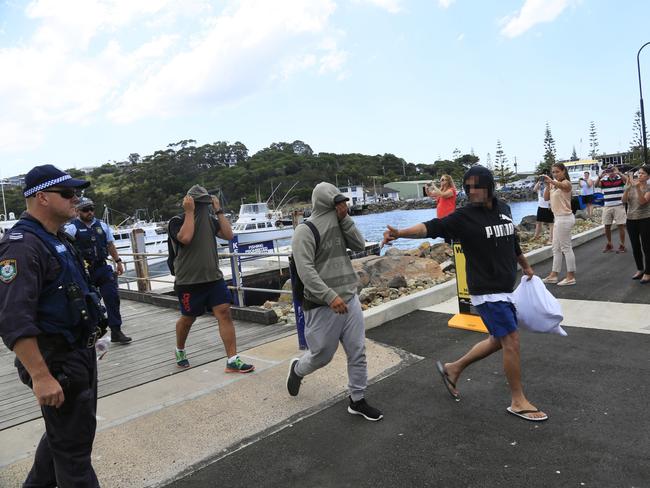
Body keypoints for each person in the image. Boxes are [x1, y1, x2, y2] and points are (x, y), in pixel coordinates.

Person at [382, 165, 547, 422]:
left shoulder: (504, 209)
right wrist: (400, 233)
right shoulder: (464, 216)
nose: (471, 191)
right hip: (485, 290)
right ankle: (518, 400)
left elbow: (511, 241)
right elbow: (432, 226)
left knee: (498, 340)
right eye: (467, 186)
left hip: (505, 287)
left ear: (489, 186)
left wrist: (524, 265)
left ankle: (452, 368)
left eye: (477, 185)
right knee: (511, 340)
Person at [0, 164, 103, 486]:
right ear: (42, 197)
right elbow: (13, 318)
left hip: (77, 354)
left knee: (64, 439)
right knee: (74, 457)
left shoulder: (55, 238)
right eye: (69, 193)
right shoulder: (22, 245)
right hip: (56, 362)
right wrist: (41, 376)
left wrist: (93, 336)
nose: (77, 199)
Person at [286, 182, 383, 421]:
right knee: (322, 356)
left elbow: (359, 246)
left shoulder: (341, 223)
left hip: (349, 298)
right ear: (325, 203)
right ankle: (298, 369)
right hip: (322, 305)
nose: (342, 207)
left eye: (343, 203)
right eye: (338, 203)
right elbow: (306, 270)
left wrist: (345, 219)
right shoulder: (305, 231)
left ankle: (357, 400)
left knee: (357, 351)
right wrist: (330, 296)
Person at [168, 185, 254, 373]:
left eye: (205, 204)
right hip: (188, 282)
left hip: (213, 278)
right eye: (200, 204)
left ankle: (232, 359)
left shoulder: (211, 220)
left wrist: (219, 211)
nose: (203, 208)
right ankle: (180, 349)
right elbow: (186, 238)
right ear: (189, 202)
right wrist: (189, 212)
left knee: (224, 312)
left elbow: (229, 235)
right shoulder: (176, 221)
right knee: (188, 318)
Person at [65, 197, 132, 344]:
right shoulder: (72, 228)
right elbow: (66, 249)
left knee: (112, 297)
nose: (89, 212)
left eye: (91, 209)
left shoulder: (102, 226)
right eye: (85, 210)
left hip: (102, 267)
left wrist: (118, 261)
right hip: (84, 270)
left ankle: (116, 330)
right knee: (88, 301)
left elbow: (110, 245)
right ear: (77, 211)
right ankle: (91, 331)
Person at [541, 163, 576, 286]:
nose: (555, 174)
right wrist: (547, 185)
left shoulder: (567, 183)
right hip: (558, 219)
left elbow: (563, 186)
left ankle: (570, 276)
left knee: (566, 248)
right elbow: (546, 198)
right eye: (553, 172)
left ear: (563, 171)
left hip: (565, 218)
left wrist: (552, 181)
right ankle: (554, 275)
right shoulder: (552, 184)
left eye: (557, 171)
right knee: (555, 248)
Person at [622, 165, 650, 283]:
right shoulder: (631, 186)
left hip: (645, 219)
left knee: (646, 246)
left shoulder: (648, 187)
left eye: (643, 173)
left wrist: (637, 188)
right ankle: (640, 269)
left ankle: (648, 272)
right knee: (635, 246)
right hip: (631, 219)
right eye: (639, 173)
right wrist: (628, 188)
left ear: (648, 176)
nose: (640, 175)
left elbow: (643, 201)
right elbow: (623, 201)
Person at [596, 165, 628, 253]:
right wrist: (600, 176)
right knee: (606, 226)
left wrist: (619, 173)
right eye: (609, 171)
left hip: (619, 205)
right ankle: (609, 244)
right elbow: (595, 185)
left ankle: (622, 245)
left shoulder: (620, 179)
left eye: (612, 170)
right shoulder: (604, 180)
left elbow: (627, 181)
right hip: (607, 206)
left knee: (620, 225)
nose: (611, 172)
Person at [532, 176, 554, 243]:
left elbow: (552, 195)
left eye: (544, 178)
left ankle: (551, 239)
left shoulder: (550, 184)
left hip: (548, 206)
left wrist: (551, 204)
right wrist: (539, 181)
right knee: (538, 222)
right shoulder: (540, 185)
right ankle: (536, 236)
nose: (543, 179)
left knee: (551, 224)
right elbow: (534, 190)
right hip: (540, 206)